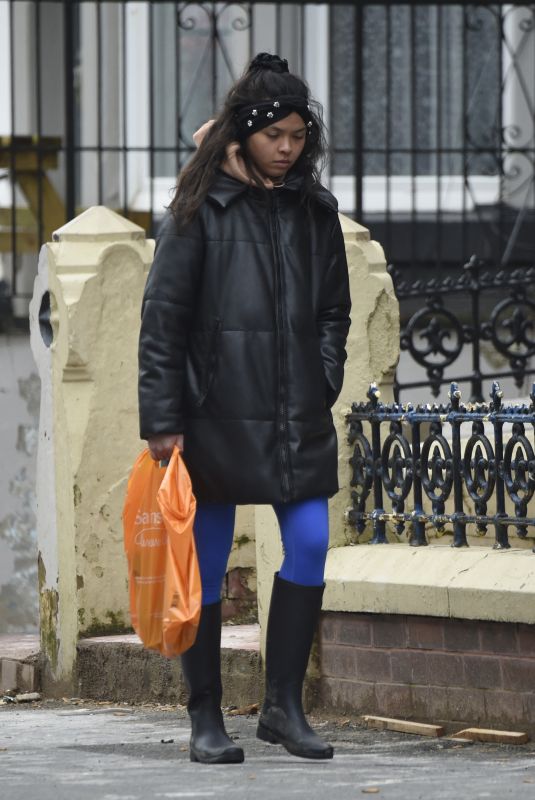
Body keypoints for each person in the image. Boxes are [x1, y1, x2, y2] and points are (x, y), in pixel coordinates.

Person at [138, 52, 351, 764]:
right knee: (204, 559)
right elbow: (162, 320)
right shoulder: (195, 211)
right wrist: (164, 420)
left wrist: (322, 376)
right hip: (211, 419)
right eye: (275, 135)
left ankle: (283, 708)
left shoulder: (314, 211)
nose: (288, 148)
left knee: (312, 543)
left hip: (295, 414)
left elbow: (332, 311)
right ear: (242, 134)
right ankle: (206, 716)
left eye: (298, 135)